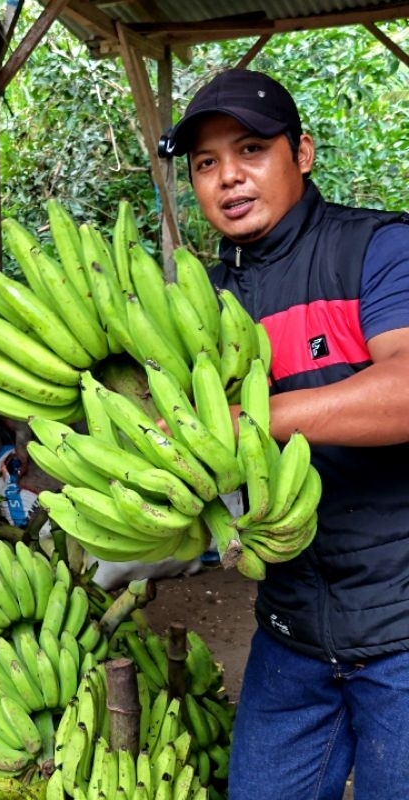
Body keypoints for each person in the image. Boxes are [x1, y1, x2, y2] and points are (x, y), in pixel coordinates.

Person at [159, 68, 409, 800]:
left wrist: (254, 422)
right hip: (292, 632)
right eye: (205, 163)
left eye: (251, 150)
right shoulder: (201, 304)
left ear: (301, 152)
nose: (228, 178)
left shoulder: (376, 250)